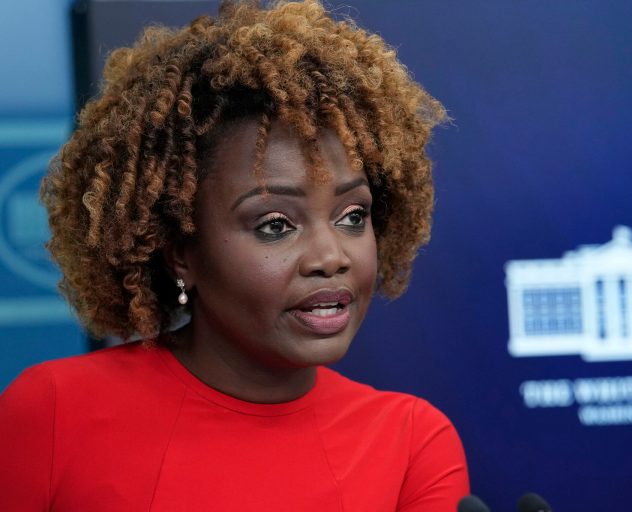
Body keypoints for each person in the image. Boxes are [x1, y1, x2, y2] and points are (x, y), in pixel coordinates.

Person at [0, 0, 469, 510]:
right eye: (275, 225)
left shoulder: (412, 443)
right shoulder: (52, 412)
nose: (331, 256)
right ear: (181, 253)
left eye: (352, 216)